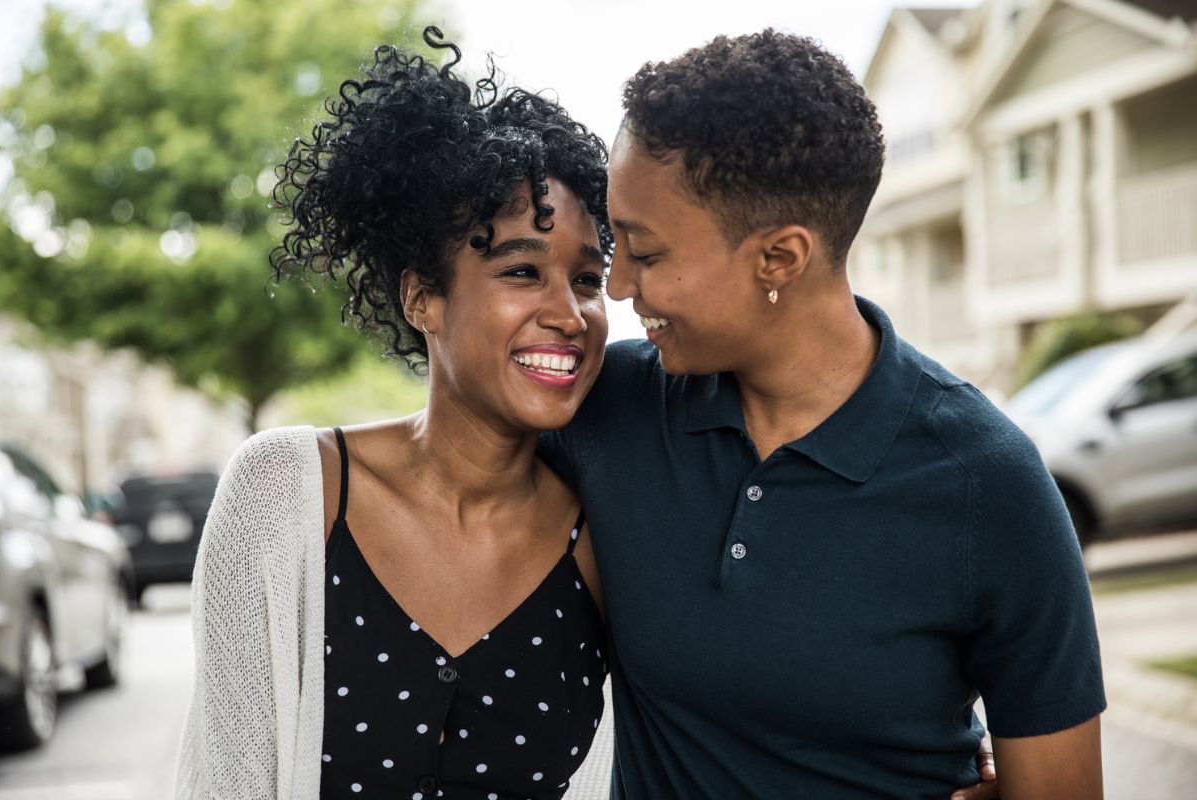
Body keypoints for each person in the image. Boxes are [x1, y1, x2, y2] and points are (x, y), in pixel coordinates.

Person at [540, 29, 1105, 799]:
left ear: (779, 258)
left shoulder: (988, 484)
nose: (617, 286)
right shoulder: (607, 405)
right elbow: (432, 457)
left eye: (645, 250)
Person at [175, 29, 613, 800]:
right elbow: (225, 773)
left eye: (586, 278)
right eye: (521, 270)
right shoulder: (285, 494)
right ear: (422, 299)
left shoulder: (605, 541)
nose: (569, 313)